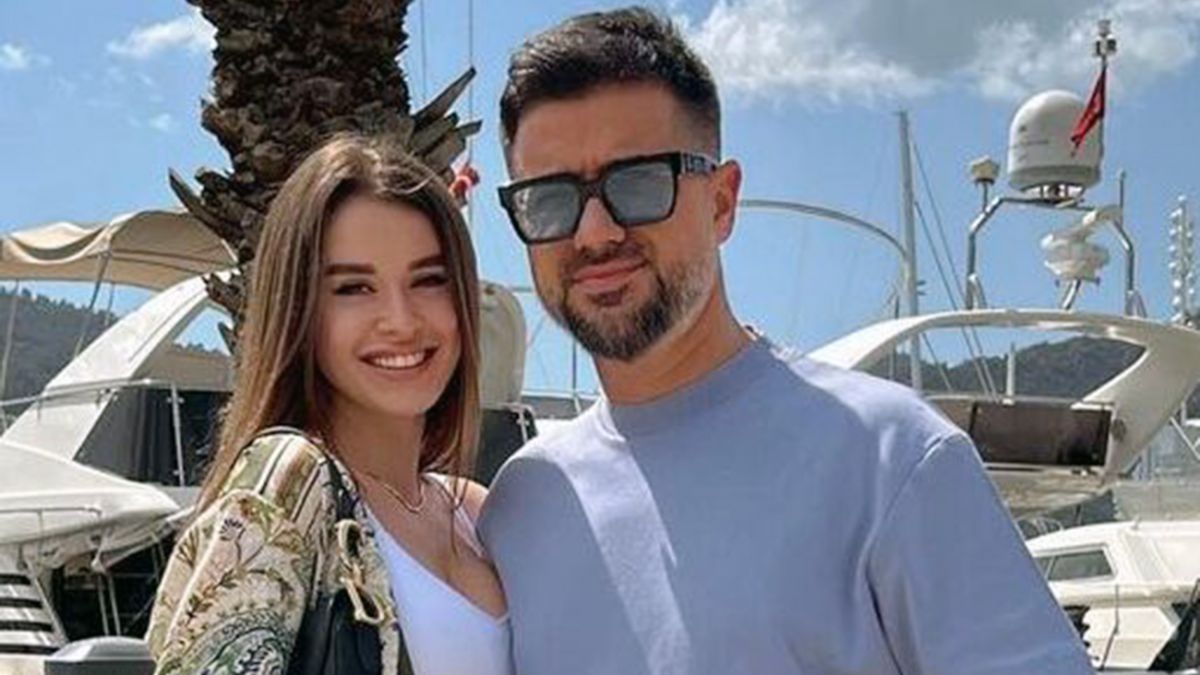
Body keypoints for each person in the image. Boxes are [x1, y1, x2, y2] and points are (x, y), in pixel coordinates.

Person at [480, 7, 1093, 675]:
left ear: (722, 202)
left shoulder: (891, 460)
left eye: (639, 183)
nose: (594, 232)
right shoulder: (521, 507)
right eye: (549, 198)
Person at [147, 134, 512, 675]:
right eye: (353, 288)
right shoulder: (288, 486)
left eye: (430, 280)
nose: (401, 320)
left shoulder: (475, 513)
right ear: (301, 311)